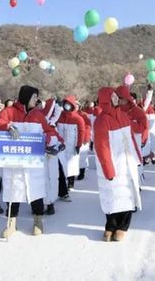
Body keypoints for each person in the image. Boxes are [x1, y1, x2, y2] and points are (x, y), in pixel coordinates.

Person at [0, 85, 58, 238]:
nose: (36, 100)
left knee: (36, 191)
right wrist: (8, 127)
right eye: (34, 97)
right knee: (13, 191)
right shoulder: (9, 112)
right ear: (26, 97)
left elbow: (49, 131)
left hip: (33, 162)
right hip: (14, 162)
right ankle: (11, 222)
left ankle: (37, 220)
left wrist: (46, 139)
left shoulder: (39, 115)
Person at [94, 87, 142, 242]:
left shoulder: (123, 116)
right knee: (112, 197)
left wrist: (138, 156)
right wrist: (108, 169)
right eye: (113, 96)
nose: (116, 98)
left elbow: (132, 138)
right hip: (112, 165)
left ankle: (122, 227)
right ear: (106, 100)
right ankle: (110, 226)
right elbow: (102, 148)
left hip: (127, 163)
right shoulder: (101, 120)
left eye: (116, 95)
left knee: (127, 196)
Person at [56, 95, 87, 194]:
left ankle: (70, 182)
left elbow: (81, 132)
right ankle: (61, 182)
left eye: (69, 104)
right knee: (61, 163)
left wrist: (78, 144)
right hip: (61, 145)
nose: (67, 106)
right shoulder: (59, 116)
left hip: (72, 145)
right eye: (65, 104)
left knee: (71, 164)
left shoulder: (78, 119)